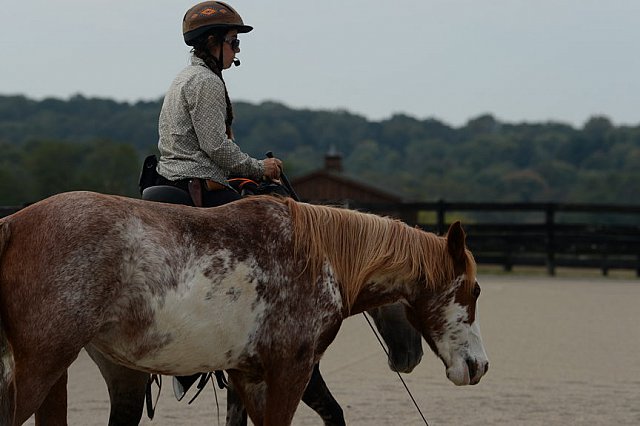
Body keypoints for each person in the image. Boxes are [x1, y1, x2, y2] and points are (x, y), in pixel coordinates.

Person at [156, 1, 282, 207]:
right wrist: (260, 168)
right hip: (196, 179)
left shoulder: (185, 75)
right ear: (213, 41)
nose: (238, 50)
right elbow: (216, 147)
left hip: (173, 176)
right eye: (234, 42)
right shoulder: (207, 80)